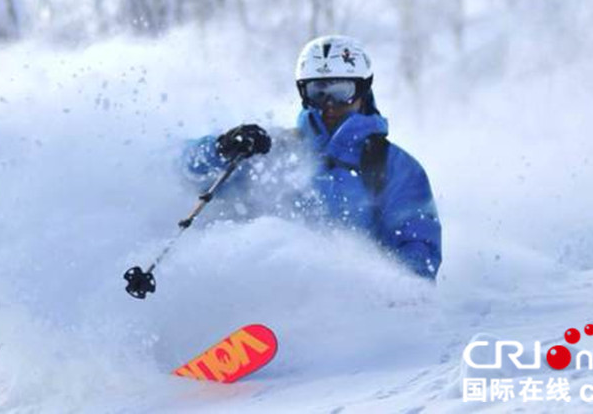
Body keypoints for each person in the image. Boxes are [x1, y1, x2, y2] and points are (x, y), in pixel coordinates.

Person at [182, 35, 441, 280]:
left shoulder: (394, 166)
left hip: (351, 309)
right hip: (260, 296)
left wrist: (395, 293)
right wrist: (221, 148)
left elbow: (418, 247)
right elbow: (187, 175)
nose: (329, 104)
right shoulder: (273, 150)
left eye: (341, 91)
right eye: (317, 92)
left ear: (362, 90)